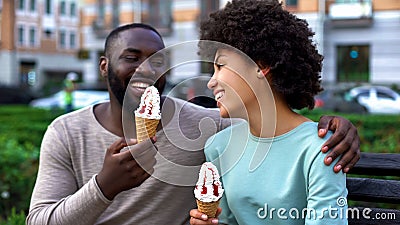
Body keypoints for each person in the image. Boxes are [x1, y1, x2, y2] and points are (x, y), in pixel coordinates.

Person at [27, 23, 358, 225]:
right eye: (131, 57)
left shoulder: (206, 128)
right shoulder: (66, 132)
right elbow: (38, 221)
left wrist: (336, 127)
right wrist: (104, 187)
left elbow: (272, 126)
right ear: (103, 66)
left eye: (158, 60)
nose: (147, 69)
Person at [190, 0, 350, 224]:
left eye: (221, 66)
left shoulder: (320, 149)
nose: (211, 82)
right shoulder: (218, 147)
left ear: (260, 66)